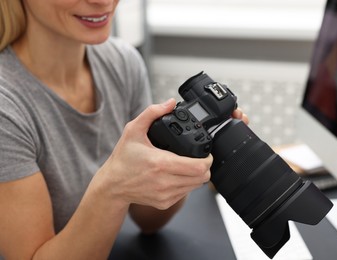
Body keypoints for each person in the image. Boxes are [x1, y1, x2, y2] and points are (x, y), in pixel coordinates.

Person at [0, 0, 248, 259]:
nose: (103, 2)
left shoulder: (123, 63)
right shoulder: (6, 105)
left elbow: (148, 220)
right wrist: (112, 188)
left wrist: (183, 157)